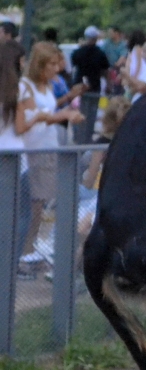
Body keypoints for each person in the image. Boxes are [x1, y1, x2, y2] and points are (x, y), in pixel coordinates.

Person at [15, 42, 85, 263]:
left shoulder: (47, 85)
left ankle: (30, 247)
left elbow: (48, 109)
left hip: (48, 147)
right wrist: (63, 115)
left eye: (57, 63)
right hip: (34, 150)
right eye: (52, 64)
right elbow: (33, 117)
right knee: (34, 204)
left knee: (41, 202)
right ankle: (24, 252)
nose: (57, 68)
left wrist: (64, 107)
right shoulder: (25, 86)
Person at [0, 41, 31, 262]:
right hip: (17, 159)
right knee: (21, 215)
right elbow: (20, 128)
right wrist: (37, 117)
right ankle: (12, 259)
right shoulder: (18, 89)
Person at [71, 26, 111, 94]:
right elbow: (105, 70)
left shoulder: (77, 52)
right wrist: (108, 84)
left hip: (79, 84)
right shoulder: (100, 53)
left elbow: (74, 66)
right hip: (94, 85)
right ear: (96, 38)